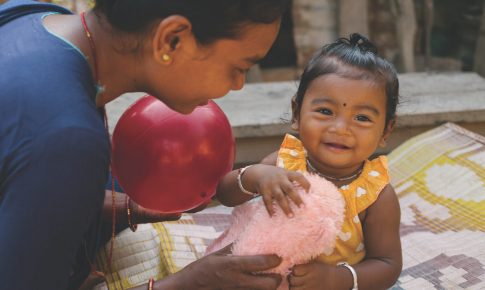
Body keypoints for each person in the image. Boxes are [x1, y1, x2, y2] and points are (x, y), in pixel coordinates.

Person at [0, 0, 291, 289]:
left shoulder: (34, 16)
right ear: (171, 39)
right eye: (238, 67)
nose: (239, 84)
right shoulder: (69, 139)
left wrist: (118, 207)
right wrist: (190, 283)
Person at [216, 34, 403, 290]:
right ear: (296, 113)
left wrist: (335, 279)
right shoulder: (286, 162)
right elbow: (224, 194)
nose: (340, 128)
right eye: (325, 111)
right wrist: (254, 176)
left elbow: (387, 265)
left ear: (385, 131)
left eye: (361, 118)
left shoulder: (375, 195)